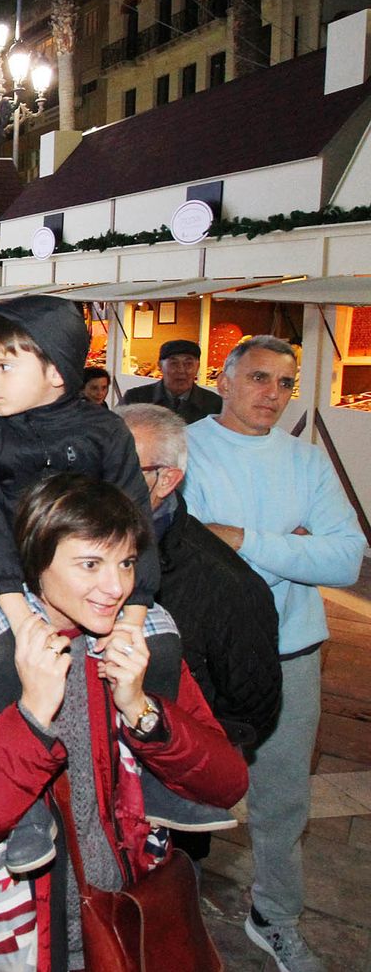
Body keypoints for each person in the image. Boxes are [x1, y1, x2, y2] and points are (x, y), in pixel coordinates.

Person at [0, 473, 248, 971]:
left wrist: (141, 710)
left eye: (126, 562)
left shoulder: (138, 646)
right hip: (19, 932)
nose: (116, 588)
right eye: (90, 564)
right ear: (36, 563)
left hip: (125, 910)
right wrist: (28, 720)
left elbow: (227, 782)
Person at [0, 295, 214, 876]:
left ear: (56, 371)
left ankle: (162, 780)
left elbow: (135, 519)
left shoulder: (105, 431)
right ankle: (27, 807)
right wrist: (21, 619)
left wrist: (136, 613)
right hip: (0, 564)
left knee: (160, 644)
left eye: (4, 367)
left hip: (90, 561)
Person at [181, 335, 364, 971]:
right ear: (224, 381)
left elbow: (345, 559)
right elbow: (191, 555)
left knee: (283, 798)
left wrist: (243, 538)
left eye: (286, 384)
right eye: (259, 378)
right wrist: (290, 548)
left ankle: (275, 916)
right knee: (185, 787)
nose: (274, 395)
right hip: (205, 657)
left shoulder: (307, 462)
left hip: (294, 652)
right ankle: (170, 908)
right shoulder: (188, 450)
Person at [119, 403, 281, 861]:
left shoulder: (226, 586)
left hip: (169, 809)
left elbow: (249, 714)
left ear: (166, 480)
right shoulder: (69, 548)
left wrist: (175, 757)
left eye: (123, 466)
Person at [122, 339, 221, 423]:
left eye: (188, 364)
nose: (181, 370)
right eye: (174, 363)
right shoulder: (136, 399)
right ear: (160, 366)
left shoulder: (214, 404)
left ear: (198, 367)